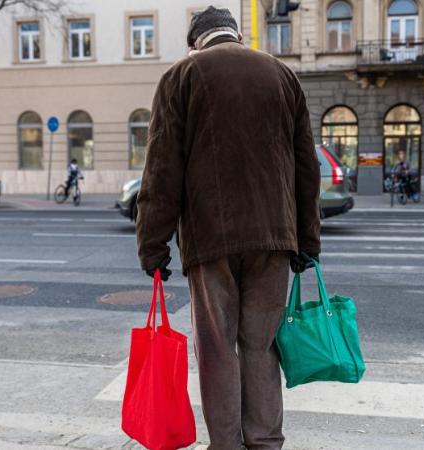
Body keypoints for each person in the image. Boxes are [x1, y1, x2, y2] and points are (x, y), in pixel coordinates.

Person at [135, 6, 321, 450]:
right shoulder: (282, 75)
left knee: (218, 350)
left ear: (195, 42)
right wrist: (307, 239)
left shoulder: (181, 77)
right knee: (261, 345)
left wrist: (152, 245)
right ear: (236, 35)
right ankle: (265, 442)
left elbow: (162, 169)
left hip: (210, 239)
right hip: (275, 237)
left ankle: (226, 445)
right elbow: (305, 165)